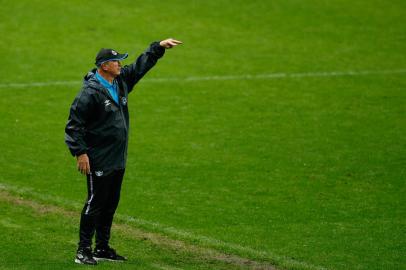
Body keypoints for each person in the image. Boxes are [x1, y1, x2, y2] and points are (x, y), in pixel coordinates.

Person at [64, 38, 182, 265]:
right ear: (104, 66)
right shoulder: (89, 93)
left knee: (110, 204)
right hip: (98, 157)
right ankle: (82, 250)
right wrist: (81, 153)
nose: (120, 64)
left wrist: (158, 48)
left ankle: (101, 248)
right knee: (95, 203)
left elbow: (140, 66)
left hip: (117, 156)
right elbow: (73, 125)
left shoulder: (120, 82)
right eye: (116, 61)